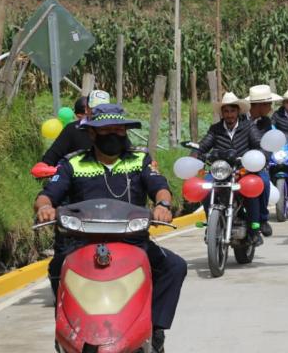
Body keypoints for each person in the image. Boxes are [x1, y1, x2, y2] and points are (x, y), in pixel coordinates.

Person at [33, 104, 186, 352]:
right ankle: (67, 331)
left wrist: (163, 204)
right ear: (92, 134)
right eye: (106, 131)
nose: (113, 135)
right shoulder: (73, 163)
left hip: (132, 241)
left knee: (174, 266)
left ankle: (155, 329)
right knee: (56, 267)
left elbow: (159, 186)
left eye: (118, 129)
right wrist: (45, 208)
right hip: (80, 242)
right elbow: (47, 195)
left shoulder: (140, 160)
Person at [196, 92, 269, 244]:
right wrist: (195, 154)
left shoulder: (248, 126)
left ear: (238, 112)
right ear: (222, 113)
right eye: (226, 111)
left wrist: (259, 157)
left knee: (260, 184)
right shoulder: (215, 129)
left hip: (243, 169)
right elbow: (203, 146)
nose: (229, 115)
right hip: (220, 171)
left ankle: (257, 226)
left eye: (232, 111)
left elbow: (258, 144)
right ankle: (211, 224)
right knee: (204, 188)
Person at [244, 84, 283, 235]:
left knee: (264, 182)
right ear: (259, 105)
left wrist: (261, 158)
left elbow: (266, 145)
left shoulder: (266, 122)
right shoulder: (238, 118)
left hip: (256, 163)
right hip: (237, 163)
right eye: (268, 104)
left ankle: (262, 219)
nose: (271, 108)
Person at [37, 91, 110, 167]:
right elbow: (52, 155)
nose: (100, 112)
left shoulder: (116, 129)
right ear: (87, 109)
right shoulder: (72, 129)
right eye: (95, 108)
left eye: (104, 109)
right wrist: (43, 166)